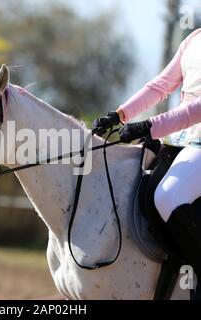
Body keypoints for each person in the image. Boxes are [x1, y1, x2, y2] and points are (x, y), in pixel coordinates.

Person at [93, 28, 201, 292]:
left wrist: (149, 126)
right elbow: (160, 86)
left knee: (168, 196)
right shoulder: (194, 38)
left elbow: (197, 109)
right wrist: (120, 115)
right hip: (178, 140)